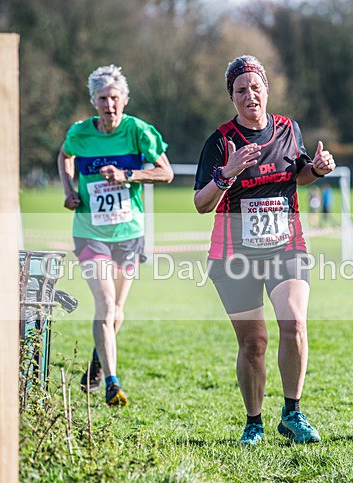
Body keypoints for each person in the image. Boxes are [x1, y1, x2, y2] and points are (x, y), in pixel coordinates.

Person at [194, 55, 336, 445]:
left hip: (285, 246)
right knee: (254, 341)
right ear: (232, 96)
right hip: (233, 253)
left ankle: (292, 412)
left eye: (256, 87)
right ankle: (253, 422)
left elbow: (300, 173)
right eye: (241, 90)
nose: (250, 95)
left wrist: (319, 169)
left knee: (293, 323)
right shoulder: (221, 141)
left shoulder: (288, 129)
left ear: (267, 89)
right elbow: (201, 203)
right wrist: (228, 173)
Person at [58, 64, 174, 406]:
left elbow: (165, 173)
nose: (109, 105)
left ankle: (97, 360)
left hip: (128, 232)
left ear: (124, 100)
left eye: (115, 98)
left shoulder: (139, 131)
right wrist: (68, 189)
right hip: (89, 230)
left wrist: (127, 175)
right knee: (105, 303)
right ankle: (112, 382)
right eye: (103, 98)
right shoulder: (80, 133)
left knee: (118, 308)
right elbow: (64, 155)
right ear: (93, 101)